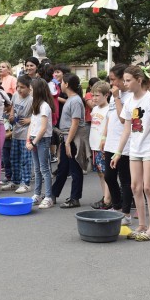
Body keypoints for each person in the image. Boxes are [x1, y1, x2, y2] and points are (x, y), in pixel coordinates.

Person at [111, 65, 150, 241]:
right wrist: (118, 152)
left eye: (128, 80)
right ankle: (142, 225)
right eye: (125, 80)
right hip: (135, 149)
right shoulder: (129, 102)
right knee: (135, 187)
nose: (125, 84)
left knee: (147, 188)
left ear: (139, 79)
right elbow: (126, 130)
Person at [51, 73, 89, 208]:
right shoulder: (71, 99)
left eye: (62, 82)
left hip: (72, 139)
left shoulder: (76, 100)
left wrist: (68, 143)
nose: (60, 84)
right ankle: (53, 194)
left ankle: (75, 198)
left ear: (66, 84)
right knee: (62, 168)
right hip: (67, 138)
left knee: (75, 169)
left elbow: (75, 123)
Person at [102, 64, 133, 225]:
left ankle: (126, 213)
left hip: (125, 143)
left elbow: (123, 118)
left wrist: (116, 98)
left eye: (114, 79)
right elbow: (110, 116)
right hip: (111, 142)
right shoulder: (116, 94)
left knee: (125, 179)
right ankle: (117, 205)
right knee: (109, 176)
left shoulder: (128, 96)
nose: (112, 82)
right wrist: (103, 136)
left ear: (123, 78)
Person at [26, 78, 55, 208]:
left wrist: (33, 142)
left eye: (31, 89)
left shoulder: (45, 106)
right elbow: (32, 124)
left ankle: (48, 197)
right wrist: (28, 140)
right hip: (34, 138)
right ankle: (37, 194)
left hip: (42, 140)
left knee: (44, 169)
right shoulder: (35, 105)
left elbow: (43, 128)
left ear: (37, 90)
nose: (29, 91)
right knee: (36, 169)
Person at [1, 75, 33, 193]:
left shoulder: (31, 100)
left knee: (25, 160)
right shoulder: (15, 95)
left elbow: (38, 115)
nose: (19, 90)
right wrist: (11, 114)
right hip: (16, 132)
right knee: (14, 158)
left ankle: (26, 183)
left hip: (26, 134)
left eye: (22, 87)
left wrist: (30, 120)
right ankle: (15, 181)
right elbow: (13, 106)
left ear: (29, 88)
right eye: (18, 87)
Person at [87, 81, 111, 209]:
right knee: (100, 174)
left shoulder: (109, 109)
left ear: (106, 95)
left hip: (103, 146)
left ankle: (108, 199)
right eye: (93, 95)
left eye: (97, 95)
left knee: (106, 173)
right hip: (94, 145)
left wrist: (104, 139)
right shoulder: (95, 109)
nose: (94, 98)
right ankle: (105, 196)